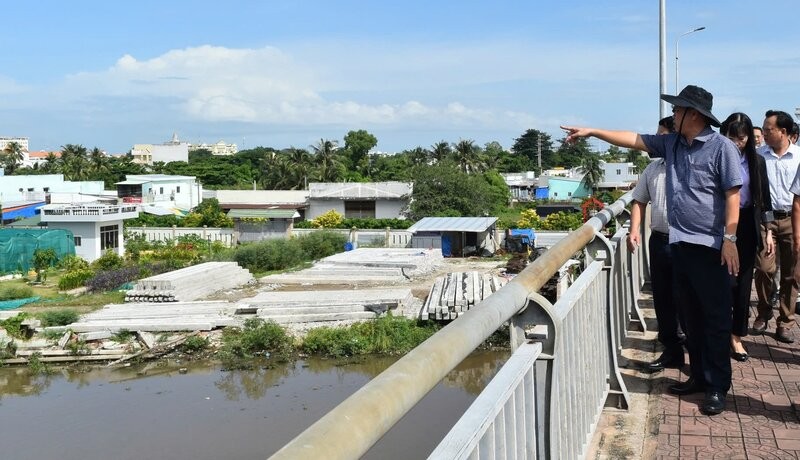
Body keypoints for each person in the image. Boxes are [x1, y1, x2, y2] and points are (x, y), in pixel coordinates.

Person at [561, 85, 741, 416]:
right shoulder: (671, 144)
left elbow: (732, 197)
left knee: (714, 319)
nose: (673, 115)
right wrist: (592, 131)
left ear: (694, 114)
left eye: (678, 110)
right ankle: (699, 377)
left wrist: (730, 240)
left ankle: (717, 386)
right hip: (679, 244)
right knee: (691, 317)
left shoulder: (721, 148)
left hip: (712, 248)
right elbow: (632, 139)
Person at [627, 116, 685, 372]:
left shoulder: (688, 166)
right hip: (660, 241)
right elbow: (639, 200)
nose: (656, 141)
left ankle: (696, 356)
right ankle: (671, 351)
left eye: (661, 136)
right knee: (662, 299)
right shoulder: (652, 169)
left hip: (687, 243)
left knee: (687, 300)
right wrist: (633, 231)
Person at [720, 113, 774, 361]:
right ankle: (719, 333)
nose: (737, 143)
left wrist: (769, 231)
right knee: (723, 283)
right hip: (719, 227)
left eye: (741, 138)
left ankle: (736, 336)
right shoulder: (717, 157)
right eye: (732, 137)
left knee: (742, 285)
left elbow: (765, 200)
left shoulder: (756, 161)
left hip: (747, 227)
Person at [752, 110, 800, 344]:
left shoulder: (799, 157)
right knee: (763, 268)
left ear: (783, 132)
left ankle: (786, 321)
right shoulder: (759, 156)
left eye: (768, 129)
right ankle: (763, 311)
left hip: (794, 220)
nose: (764, 133)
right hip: (766, 220)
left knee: (792, 273)